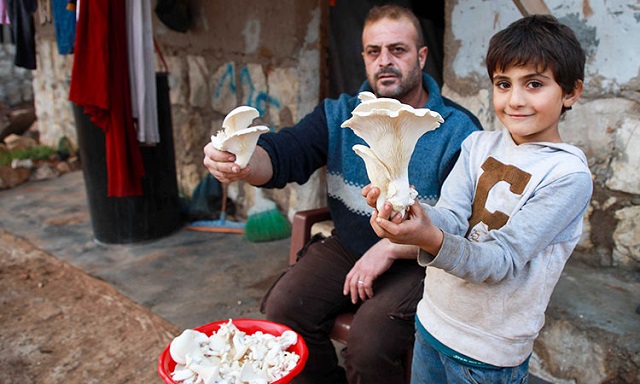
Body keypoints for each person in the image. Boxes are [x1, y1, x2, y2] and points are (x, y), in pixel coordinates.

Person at [203, 5, 482, 383]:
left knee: (369, 343)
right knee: (286, 308)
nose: (384, 61)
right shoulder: (340, 114)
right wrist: (245, 163)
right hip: (350, 244)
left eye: (397, 50)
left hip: (421, 262)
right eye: (373, 51)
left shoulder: (458, 129)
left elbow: (463, 223)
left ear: (421, 56)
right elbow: (287, 153)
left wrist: (387, 248)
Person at [363, 14, 592, 383]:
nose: (515, 100)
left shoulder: (567, 177)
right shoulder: (477, 146)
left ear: (571, 92)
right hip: (433, 323)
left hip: (487, 352)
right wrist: (410, 214)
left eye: (534, 84)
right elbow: (453, 217)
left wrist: (428, 238)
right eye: (503, 84)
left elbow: (502, 259)